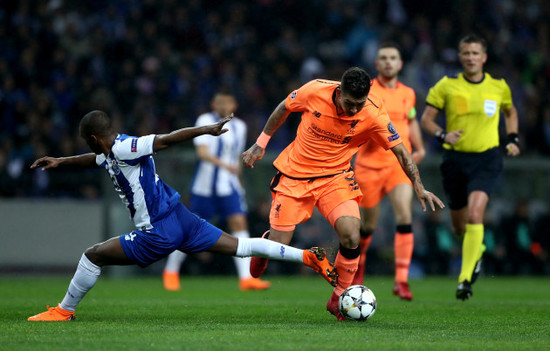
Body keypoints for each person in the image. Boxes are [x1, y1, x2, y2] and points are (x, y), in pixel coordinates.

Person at [27, 110, 337, 321]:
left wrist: (206, 130)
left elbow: (165, 139)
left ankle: (64, 311)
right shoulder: (108, 154)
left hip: (158, 230)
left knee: (92, 256)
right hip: (181, 218)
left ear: (93, 137)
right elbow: (92, 160)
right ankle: (307, 257)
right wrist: (61, 161)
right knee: (243, 247)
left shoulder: (125, 148)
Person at [242, 67, 444, 320]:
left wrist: (419, 186)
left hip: (335, 179)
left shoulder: (373, 112)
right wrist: (260, 144)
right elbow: (283, 107)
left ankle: (338, 298)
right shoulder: (314, 90)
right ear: (339, 92)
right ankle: (266, 243)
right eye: (349, 103)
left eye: (358, 104)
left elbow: (401, 151)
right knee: (279, 245)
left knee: (351, 233)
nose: (353, 110)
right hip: (295, 177)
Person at [420, 34, 520, 300]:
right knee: (460, 228)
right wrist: (443, 135)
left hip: (487, 159)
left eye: (475, 53)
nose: (471, 58)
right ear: (460, 56)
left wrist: (512, 138)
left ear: (484, 57)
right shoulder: (446, 86)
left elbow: (510, 112)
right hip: (455, 161)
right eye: (466, 53)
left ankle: (464, 280)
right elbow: (426, 120)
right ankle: (477, 252)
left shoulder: (499, 87)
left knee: (476, 215)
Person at [162, 91, 270, 292]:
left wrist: (239, 182)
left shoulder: (240, 126)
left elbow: (236, 158)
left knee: (239, 223)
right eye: (219, 102)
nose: (223, 106)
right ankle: (171, 271)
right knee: (189, 229)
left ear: (234, 105)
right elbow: (202, 153)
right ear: (213, 104)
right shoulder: (204, 120)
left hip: (229, 187)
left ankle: (246, 278)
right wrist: (226, 166)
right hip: (205, 187)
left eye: (227, 102)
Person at [352, 44, 425, 300]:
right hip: (369, 167)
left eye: (393, 58)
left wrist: (420, 147)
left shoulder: (408, 93)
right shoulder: (368, 91)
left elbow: (411, 119)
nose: (388, 62)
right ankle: (358, 266)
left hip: (397, 166)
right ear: (377, 63)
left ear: (400, 63)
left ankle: (401, 281)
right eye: (383, 58)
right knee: (368, 224)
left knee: (404, 215)